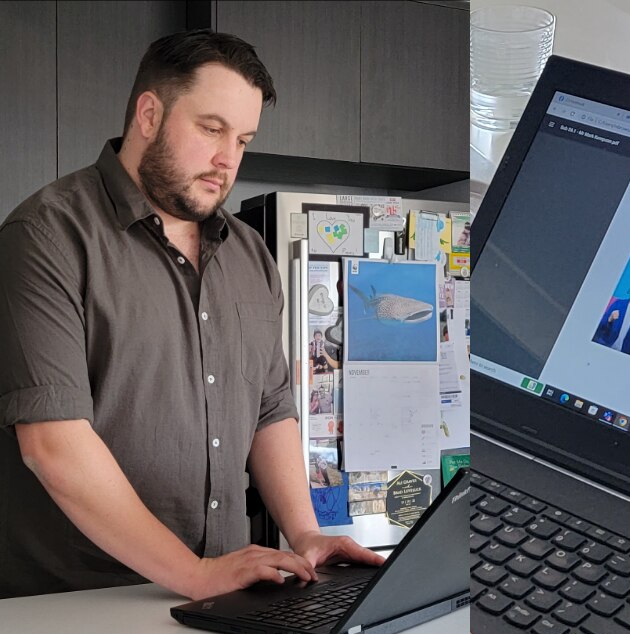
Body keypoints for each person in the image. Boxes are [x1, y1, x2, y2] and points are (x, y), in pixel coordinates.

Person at [0, 30, 383, 599]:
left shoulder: (251, 254)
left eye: (244, 139)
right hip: (79, 605)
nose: (228, 159)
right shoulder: (45, 236)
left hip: (224, 597)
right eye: (212, 129)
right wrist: (193, 573)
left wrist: (305, 532)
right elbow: (53, 446)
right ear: (149, 114)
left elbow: (270, 410)